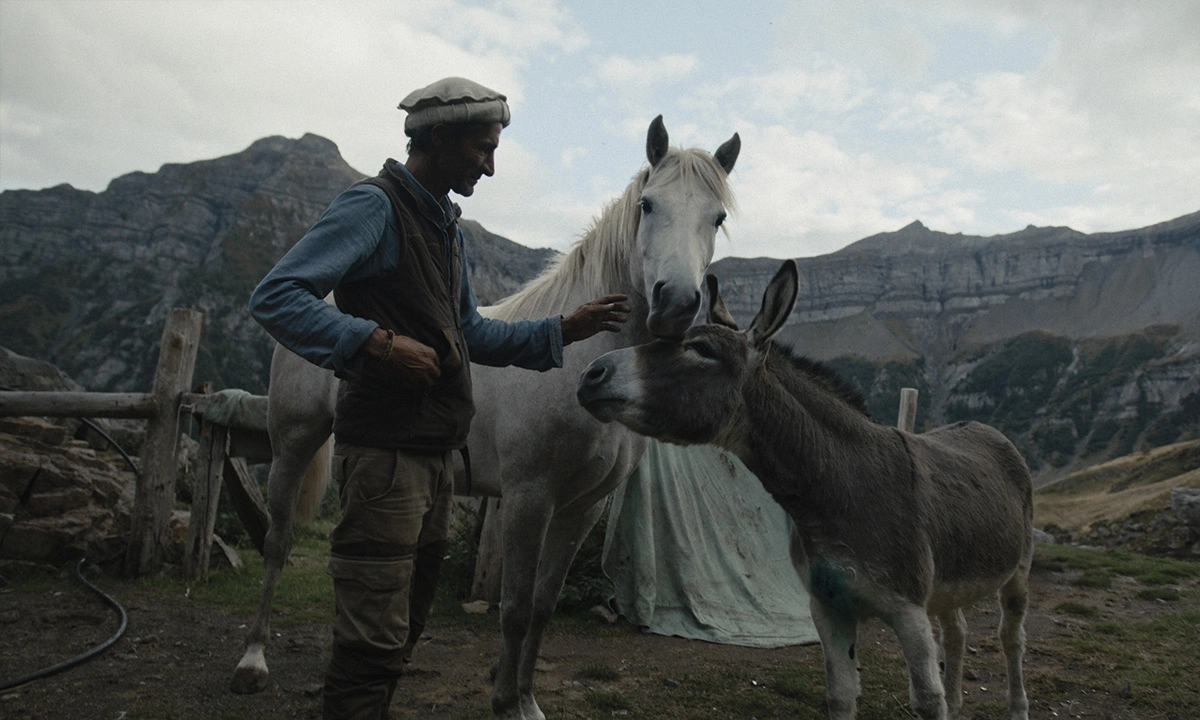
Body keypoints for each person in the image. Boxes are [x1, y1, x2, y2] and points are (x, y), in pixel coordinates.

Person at [248, 76, 630, 720]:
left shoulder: (444, 225)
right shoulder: (375, 207)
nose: (490, 163)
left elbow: (471, 332)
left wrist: (566, 329)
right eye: (482, 147)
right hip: (385, 456)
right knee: (372, 628)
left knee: (406, 622)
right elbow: (277, 296)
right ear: (441, 139)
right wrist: (373, 343)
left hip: (435, 459)